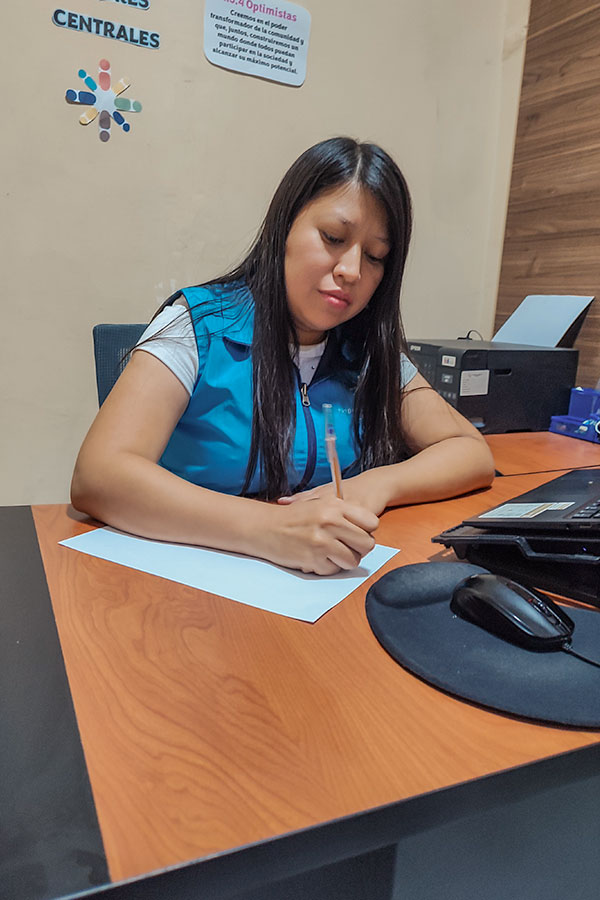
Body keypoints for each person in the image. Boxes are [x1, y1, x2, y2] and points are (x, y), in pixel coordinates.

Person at [71, 137, 494, 575]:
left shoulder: (368, 349)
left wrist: (377, 484)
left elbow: (470, 452)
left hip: (322, 587)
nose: (351, 270)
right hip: (188, 580)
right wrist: (270, 529)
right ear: (285, 227)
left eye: (375, 256)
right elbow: (98, 475)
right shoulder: (198, 325)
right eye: (333, 238)